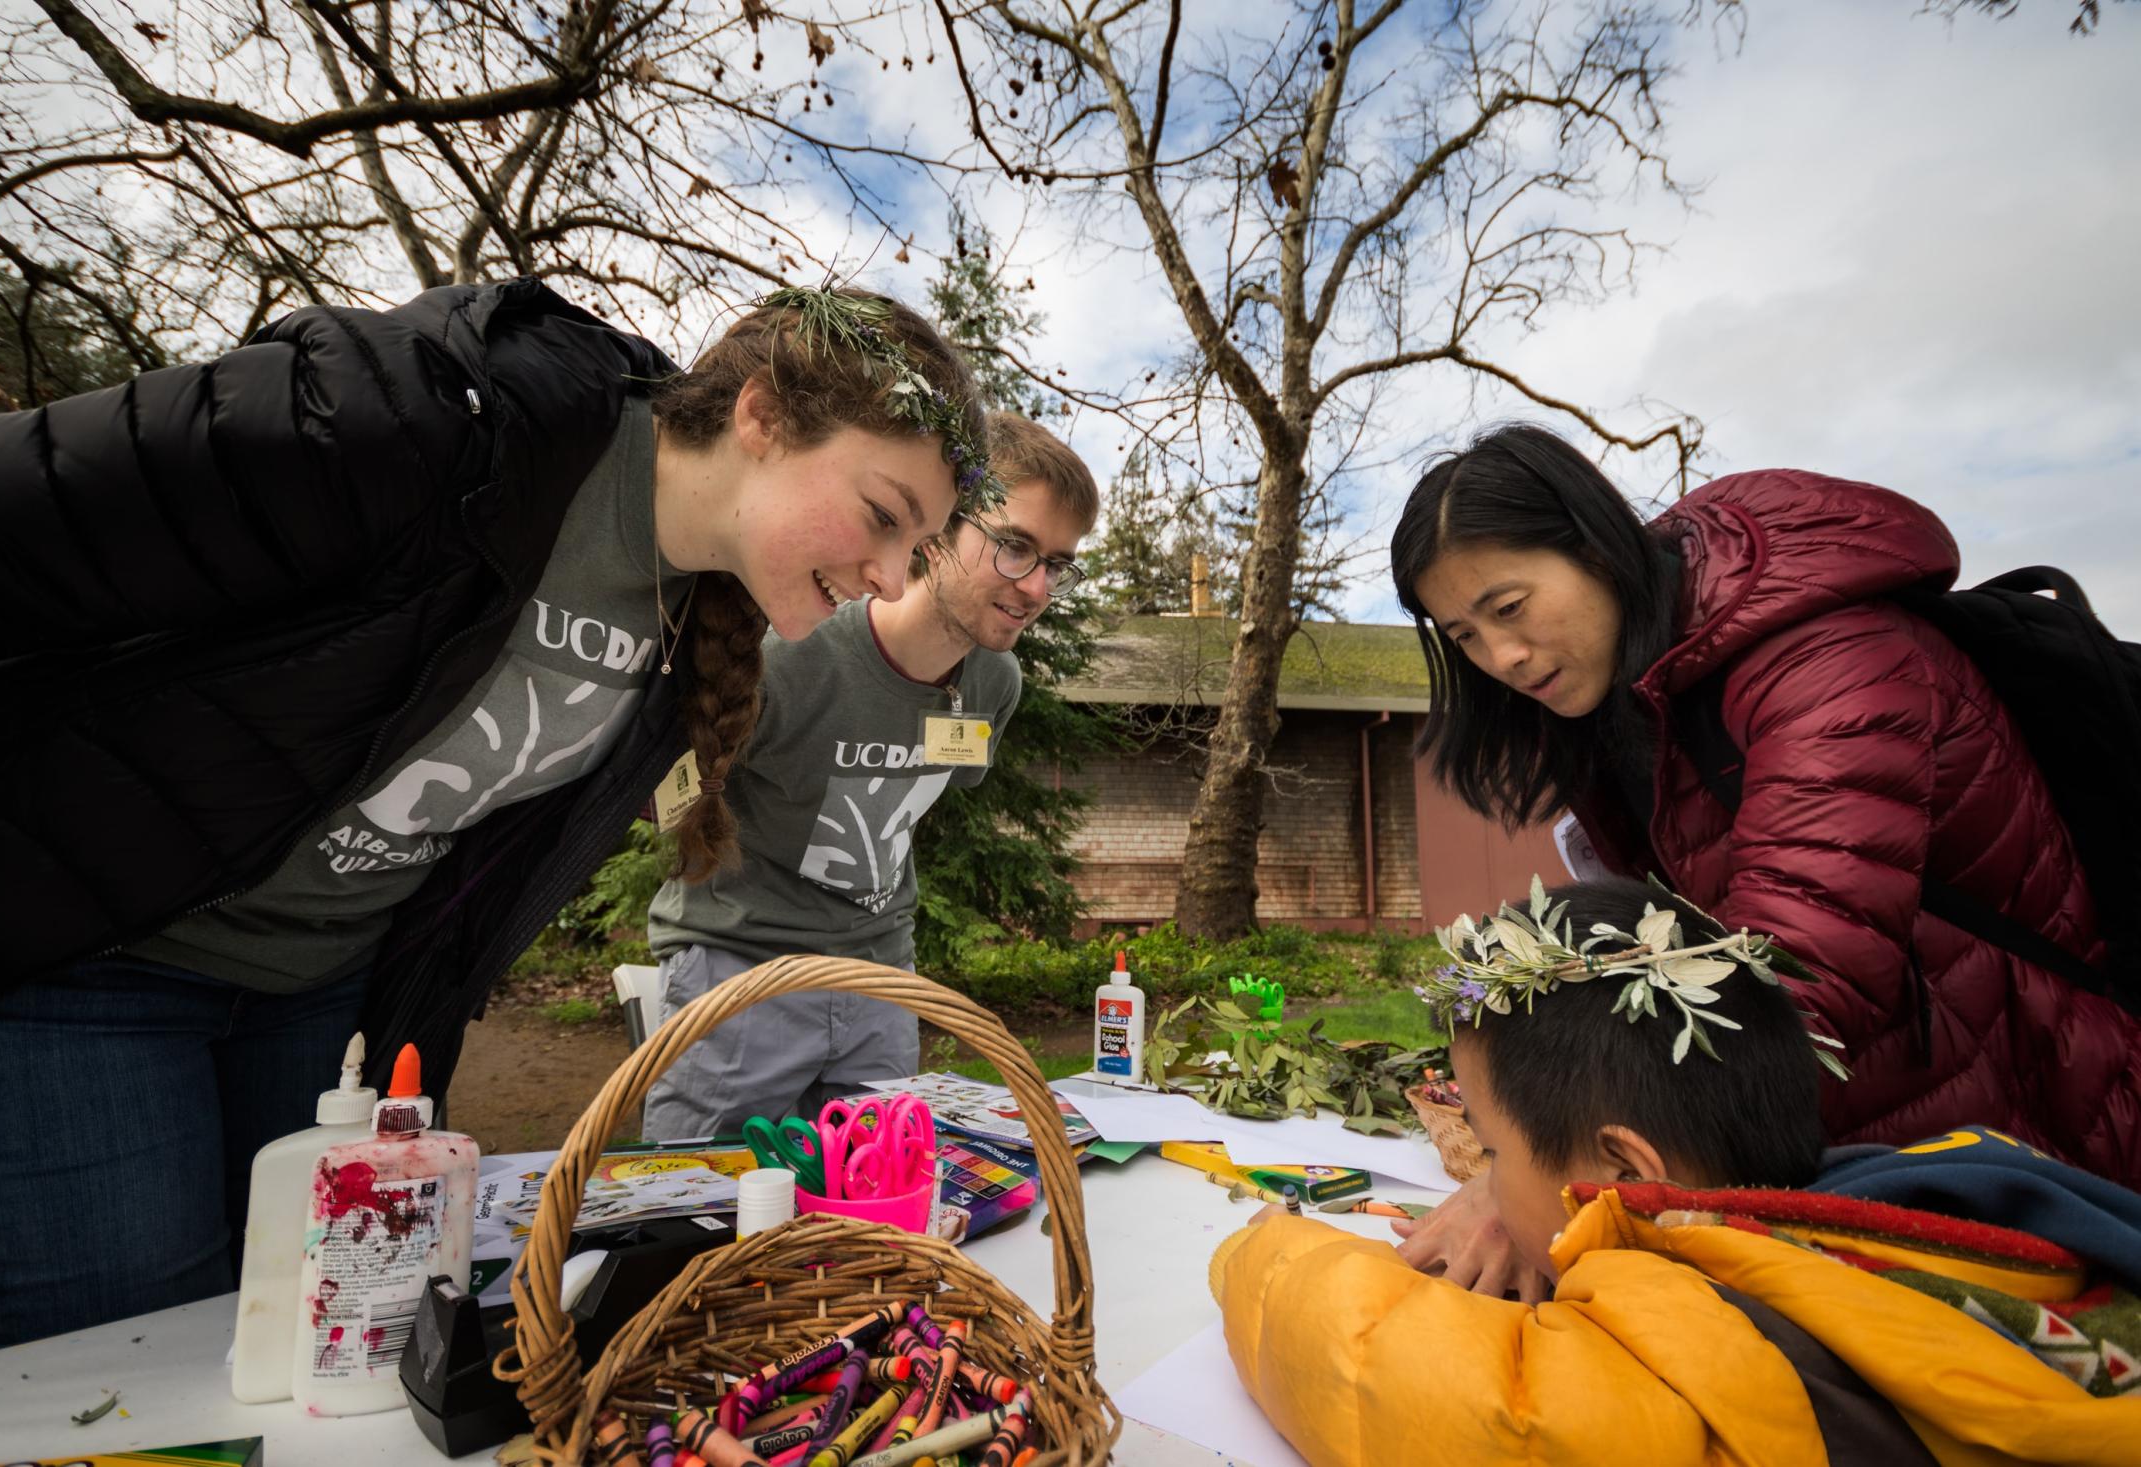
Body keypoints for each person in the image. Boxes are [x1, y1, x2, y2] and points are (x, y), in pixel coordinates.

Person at [0, 278, 995, 1355]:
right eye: (881, 516)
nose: (886, 574)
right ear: (760, 416)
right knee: (120, 1366)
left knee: (316, 1352)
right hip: (84, 968)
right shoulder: (431, 418)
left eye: (915, 546)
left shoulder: (699, 612)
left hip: (329, 1006)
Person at [1384, 425, 2141, 1298]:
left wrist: (1529, 1180)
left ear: (1592, 544)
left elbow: (1798, 990)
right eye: (1466, 635)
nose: (1501, 659)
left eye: (1509, 607)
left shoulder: (1827, 665)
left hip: (2037, 1110)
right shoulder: (1631, 698)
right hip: (1890, 1120)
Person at [1211, 879, 2141, 1467]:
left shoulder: (1709, 1339)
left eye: (1492, 1156)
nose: (1482, 1188)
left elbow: (1433, 1393)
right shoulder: (1896, 1197)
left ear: (1622, 1166)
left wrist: (1267, 1255)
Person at [641, 412, 1099, 1141]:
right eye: (1015, 546)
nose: (1038, 586)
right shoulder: (793, 657)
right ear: (941, 527)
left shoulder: (994, 684)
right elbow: (665, 800)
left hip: (882, 981)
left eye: (1058, 563)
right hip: (743, 970)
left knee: (876, 1219)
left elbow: (912, 798)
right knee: (707, 1214)